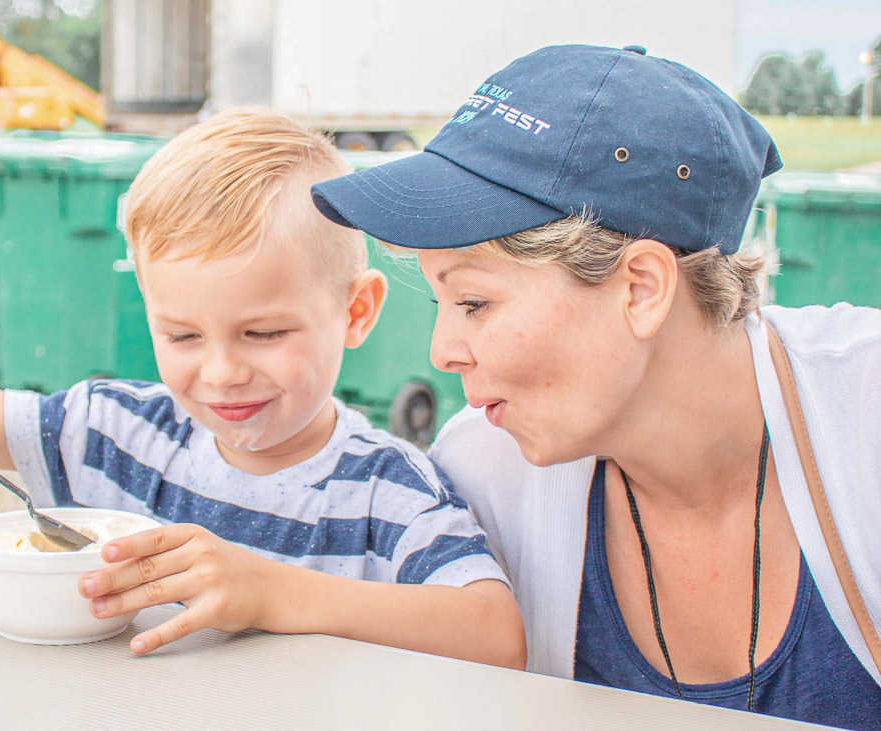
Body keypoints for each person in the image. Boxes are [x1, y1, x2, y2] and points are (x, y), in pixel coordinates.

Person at [310, 44, 881, 727]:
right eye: (440, 306)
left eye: (475, 303)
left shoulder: (865, 415)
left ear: (641, 287)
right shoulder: (484, 468)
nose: (442, 353)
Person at [0, 107, 526, 668]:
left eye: (264, 332)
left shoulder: (388, 490)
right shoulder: (116, 432)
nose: (220, 373)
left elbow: (496, 635)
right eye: (184, 337)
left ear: (356, 312)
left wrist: (274, 592)